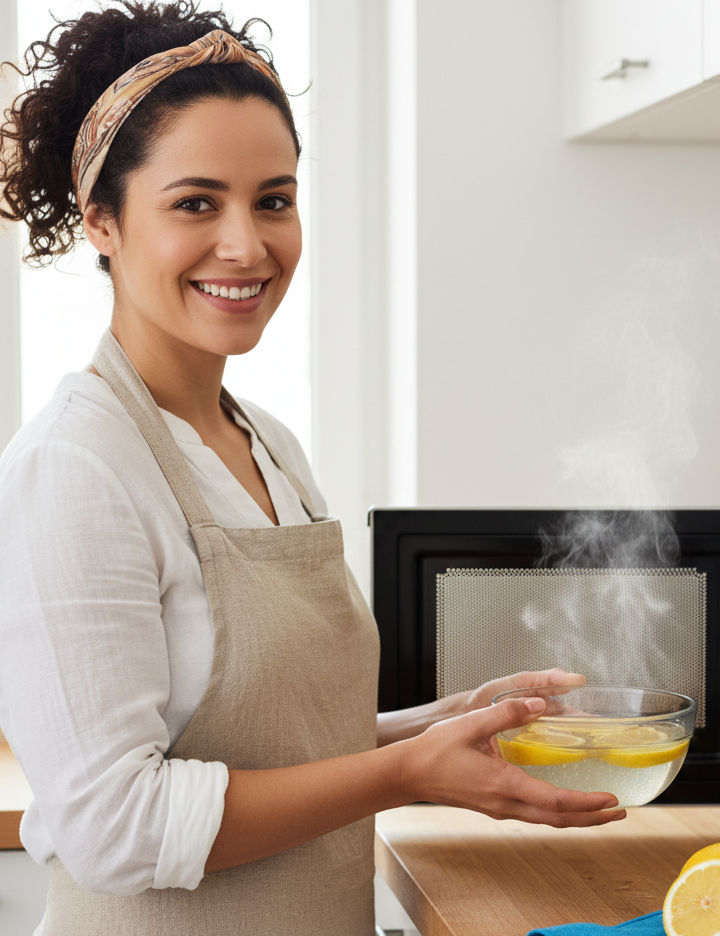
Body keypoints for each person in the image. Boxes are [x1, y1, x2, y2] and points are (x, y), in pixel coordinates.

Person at [0, 4, 625, 933]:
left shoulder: (267, 444)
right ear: (103, 220)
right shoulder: (75, 467)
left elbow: (272, 745)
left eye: (274, 200)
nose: (247, 245)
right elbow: (115, 826)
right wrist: (406, 773)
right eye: (195, 202)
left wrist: (447, 724)